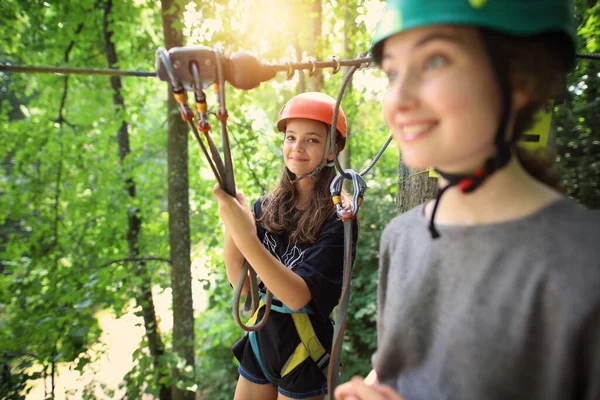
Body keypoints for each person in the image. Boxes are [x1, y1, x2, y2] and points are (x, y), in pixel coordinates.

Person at [335, 1, 600, 399]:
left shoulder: (584, 259)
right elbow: (401, 371)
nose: (398, 98)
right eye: (392, 72)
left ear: (521, 78)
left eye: (435, 60)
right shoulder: (403, 238)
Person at [213, 92, 357, 400]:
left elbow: (296, 296)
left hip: (305, 350)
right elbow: (242, 283)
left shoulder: (339, 220)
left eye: (312, 140)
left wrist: (247, 237)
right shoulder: (266, 207)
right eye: (291, 137)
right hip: (261, 342)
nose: (297, 148)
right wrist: (233, 226)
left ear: (332, 151)